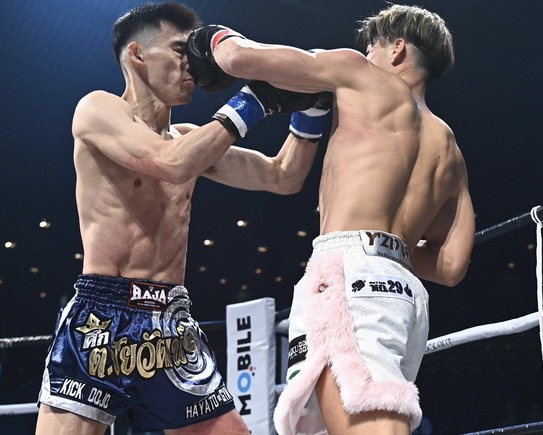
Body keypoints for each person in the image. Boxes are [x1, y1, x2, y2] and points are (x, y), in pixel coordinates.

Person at [35, 2, 327, 434]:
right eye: (178, 50)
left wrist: (312, 109)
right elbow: (169, 164)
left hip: (171, 321)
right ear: (137, 54)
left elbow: (284, 176)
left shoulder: (190, 139)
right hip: (102, 317)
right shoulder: (98, 109)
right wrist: (255, 101)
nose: (192, 62)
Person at [187, 4, 476, 434]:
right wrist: (387, 248)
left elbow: (240, 58)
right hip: (403, 295)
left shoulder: (358, 71)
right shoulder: (450, 149)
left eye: (372, 47)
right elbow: (450, 265)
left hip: (350, 278)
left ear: (396, 49)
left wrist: (211, 37)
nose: (366, 54)